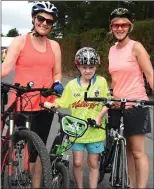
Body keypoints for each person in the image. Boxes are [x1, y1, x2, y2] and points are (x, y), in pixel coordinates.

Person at [1, 1, 63, 188]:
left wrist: (58, 83)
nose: (44, 23)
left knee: (39, 151)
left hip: (45, 102)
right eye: (41, 18)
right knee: (20, 146)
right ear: (33, 19)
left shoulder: (54, 46)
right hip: (22, 101)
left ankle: (35, 186)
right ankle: (12, 170)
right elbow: (6, 68)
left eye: (49, 21)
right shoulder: (20, 41)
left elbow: (57, 72)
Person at [44, 47, 109, 188]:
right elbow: (63, 101)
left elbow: (108, 102)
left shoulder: (102, 82)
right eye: (84, 67)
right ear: (78, 66)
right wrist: (51, 104)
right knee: (78, 162)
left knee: (93, 163)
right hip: (77, 130)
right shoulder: (72, 85)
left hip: (96, 132)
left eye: (91, 67)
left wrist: (99, 116)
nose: (88, 70)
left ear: (96, 66)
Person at [108, 8, 154, 188]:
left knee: (138, 152)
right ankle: (131, 184)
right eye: (116, 25)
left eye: (123, 25)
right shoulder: (112, 50)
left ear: (130, 27)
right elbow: (116, 77)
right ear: (111, 27)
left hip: (136, 104)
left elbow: (150, 74)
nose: (120, 28)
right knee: (126, 150)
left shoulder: (136, 47)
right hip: (118, 105)